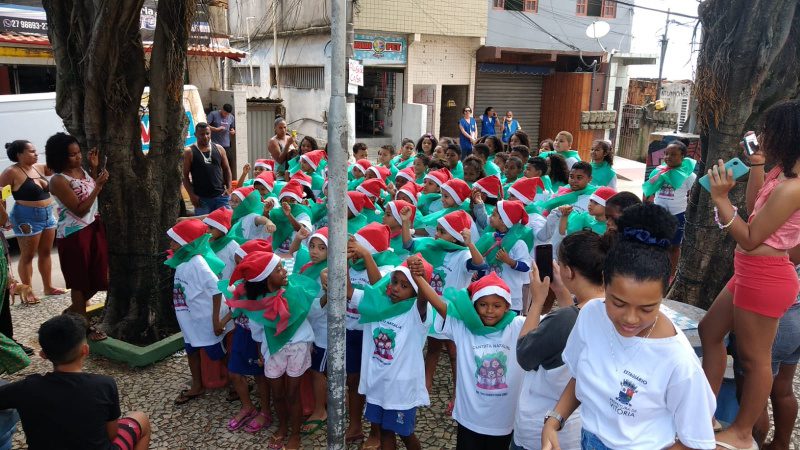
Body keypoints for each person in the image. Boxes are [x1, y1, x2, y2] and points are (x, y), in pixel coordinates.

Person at [541, 203, 716, 450]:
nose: (630, 319)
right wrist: (554, 419)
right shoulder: (591, 315)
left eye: (647, 308)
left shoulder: (679, 361)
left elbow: (696, 441)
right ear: (604, 283)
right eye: (618, 303)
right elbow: (580, 374)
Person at [699, 100, 800, 450]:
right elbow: (758, 206)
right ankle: (704, 411)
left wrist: (720, 198)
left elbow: (751, 236)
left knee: (754, 359)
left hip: (766, 275)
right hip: (749, 270)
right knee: (709, 331)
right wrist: (757, 165)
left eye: (770, 133)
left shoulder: (795, 186)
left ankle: (742, 432)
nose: (764, 138)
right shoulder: (781, 174)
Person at [513, 230, 610, 450]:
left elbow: (524, 354)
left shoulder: (564, 319)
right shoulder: (614, 309)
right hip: (580, 426)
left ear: (567, 270)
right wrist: (561, 290)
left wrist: (537, 302)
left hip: (544, 426)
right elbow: (576, 326)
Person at [0, 314, 152, 450]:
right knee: (142, 419)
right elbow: (111, 435)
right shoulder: (104, 385)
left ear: (43, 354)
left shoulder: (27, 387)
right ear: (85, 351)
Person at [416, 271, 525, 449]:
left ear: (507, 306)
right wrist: (418, 278)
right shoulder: (463, 327)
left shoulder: (517, 326)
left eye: (496, 305)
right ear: (474, 306)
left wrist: (541, 297)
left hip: (503, 421)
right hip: (469, 419)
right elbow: (439, 305)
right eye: (483, 305)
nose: (489, 311)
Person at [225, 251, 317, 450]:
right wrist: (260, 354)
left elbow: (310, 308)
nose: (285, 271)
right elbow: (257, 331)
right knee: (277, 394)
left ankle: (294, 433)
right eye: (278, 269)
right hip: (272, 350)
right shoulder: (257, 304)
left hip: (298, 345)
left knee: (293, 394)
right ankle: (282, 427)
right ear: (265, 279)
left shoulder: (294, 290)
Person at [355, 256, 434, 450]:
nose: (396, 288)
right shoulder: (380, 307)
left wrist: (420, 277)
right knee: (384, 432)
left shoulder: (416, 312)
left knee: (406, 434)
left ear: (416, 291)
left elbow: (423, 299)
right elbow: (353, 292)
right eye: (394, 282)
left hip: (401, 390)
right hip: (378, 384)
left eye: (405, 285)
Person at [45, 133, 110, 340]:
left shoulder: (81, 170)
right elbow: (80, 208)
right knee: (80, 282)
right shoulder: (57, 180)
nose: (77, 157)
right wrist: (98, 185)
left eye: (78, 153)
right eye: (72, 155)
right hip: (74, 234)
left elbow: (87, 190)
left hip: (94, 228)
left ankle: (73, 313)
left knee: (100, 277)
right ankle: (85, 328)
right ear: (59, 157)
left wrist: (93, 169)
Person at [165, 219, 230, 405]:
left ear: (187, 243)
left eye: (175, 241)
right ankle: (197, 384)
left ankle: (237, 382)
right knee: (191, 351)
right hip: (189, 319)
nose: (171, 245)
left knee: (218, 353)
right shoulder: (182, 260)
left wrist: (216, 319)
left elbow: (217, 290)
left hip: (205, 319)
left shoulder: (197, 262)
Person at [0, 140, 65, 302]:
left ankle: (48, 287)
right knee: (28, 255)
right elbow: (1, 196)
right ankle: (27, 292)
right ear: (19, 155)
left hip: (48, 215)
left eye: (36, 151)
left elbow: (60, 166)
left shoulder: (40, 167)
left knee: (45, 252)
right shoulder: (11, 172)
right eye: (31, 151)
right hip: (26, 217)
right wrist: (3, 217)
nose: (36, 154)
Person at [643, 140, 696, 277]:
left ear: (682, 156)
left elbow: (695, 194)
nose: (668, 157)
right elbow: (650, 189)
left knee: (674, 246)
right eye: (666, 154)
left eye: (673, 154)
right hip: (658, 214)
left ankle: (670, 275)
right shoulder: (658, 172)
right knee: (655, 244)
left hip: (678, 215)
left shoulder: (688, 175)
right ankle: (654, 272)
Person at [183, 122, 233, 216]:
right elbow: (185, 176)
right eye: (202, 134)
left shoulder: (219, 149)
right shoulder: (189, 152)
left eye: (207, 133)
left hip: (221, 196)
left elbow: (226, 169)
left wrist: (229, 187)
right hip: (202, 199)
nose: (205, 137)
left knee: (226, 224)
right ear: (195, 135)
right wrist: (192, 195)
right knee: (204, 227)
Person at [207, 103, 236, 169]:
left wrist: (233, 131)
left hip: (226, 145)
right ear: (222, 109)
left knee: (229, 163)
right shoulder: (213, 114)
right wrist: (215, 129)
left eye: (227, 114)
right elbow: (206, 125)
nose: (226, 115)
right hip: (215, 144)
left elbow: (232, 128)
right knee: (217, 164)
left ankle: (227, 179)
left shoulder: (231, 117)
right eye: (225, 113)